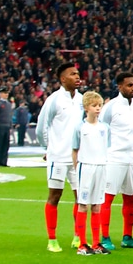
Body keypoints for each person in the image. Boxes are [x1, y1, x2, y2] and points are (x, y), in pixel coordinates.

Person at [99, 72, 133, 249]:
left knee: (130, 197)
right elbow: (102, 130)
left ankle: (128, 237)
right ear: (119, 87)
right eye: (129, 85)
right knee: (108, 197)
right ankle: (105, 237)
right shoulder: (110, 107)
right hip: (114, 157)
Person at [40, 62, 84, 252]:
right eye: (73, 74)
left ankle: (78, 236)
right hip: (57, 157)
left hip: (77, 158)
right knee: (54, 196)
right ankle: (52, 239)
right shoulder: (54, 100)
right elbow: (42, 126)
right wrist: (47, 148)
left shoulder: (82, 100)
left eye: (78, 73)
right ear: (63, 79)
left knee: (80, 197)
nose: (77, 77)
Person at [71, 92, 111, 255]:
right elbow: (75, 150)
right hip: (86, 167)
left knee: (97, 205)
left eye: (99, 105)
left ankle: (95, 243)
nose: (98, 108)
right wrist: (77, 169)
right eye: (94, 106)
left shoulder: (105, 127)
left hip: (101, 167)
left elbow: (106, 147)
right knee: (83, 205)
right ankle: (82, 244)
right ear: (86, 108)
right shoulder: (80, 127)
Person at [0, 89, 12, 167]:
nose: (6, 94)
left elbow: (10, 116)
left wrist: (10, 126)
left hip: (7, 126)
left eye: (7, 93)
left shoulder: (8, 104)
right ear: (1, 94)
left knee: (6, 145)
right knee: (0, 144)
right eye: (5, 93)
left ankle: (4, 162)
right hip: (0, 126)